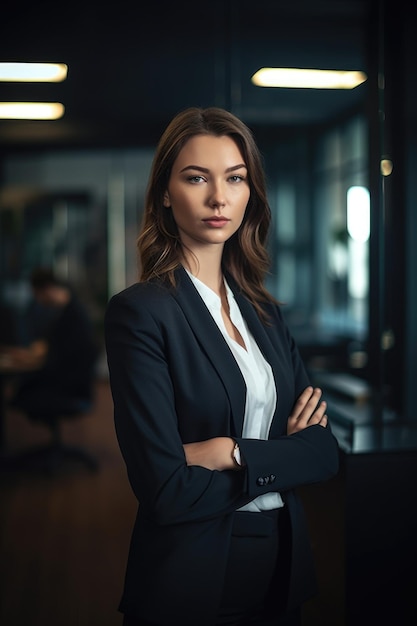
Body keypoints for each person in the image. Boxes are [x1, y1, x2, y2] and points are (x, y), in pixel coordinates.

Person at [104, 107, 340, 626]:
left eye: (235, 178)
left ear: (249, 191)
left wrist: (228, 452)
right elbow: (165, 490)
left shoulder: (266, 314)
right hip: (191, 575)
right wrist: (281, 458)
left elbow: (324, 453)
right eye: (196, 178)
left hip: (282, 568)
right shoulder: (141, 312)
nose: (219, 197)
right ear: (166, 193)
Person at [9, 268, 97, 418]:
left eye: (37, 294)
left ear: (47, 289)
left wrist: (33, 359)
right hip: (71, 384)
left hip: (68, 388)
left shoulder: (72, 316)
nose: (38, 300)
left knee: (23, 390)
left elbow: (61, 358)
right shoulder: (68, 311)